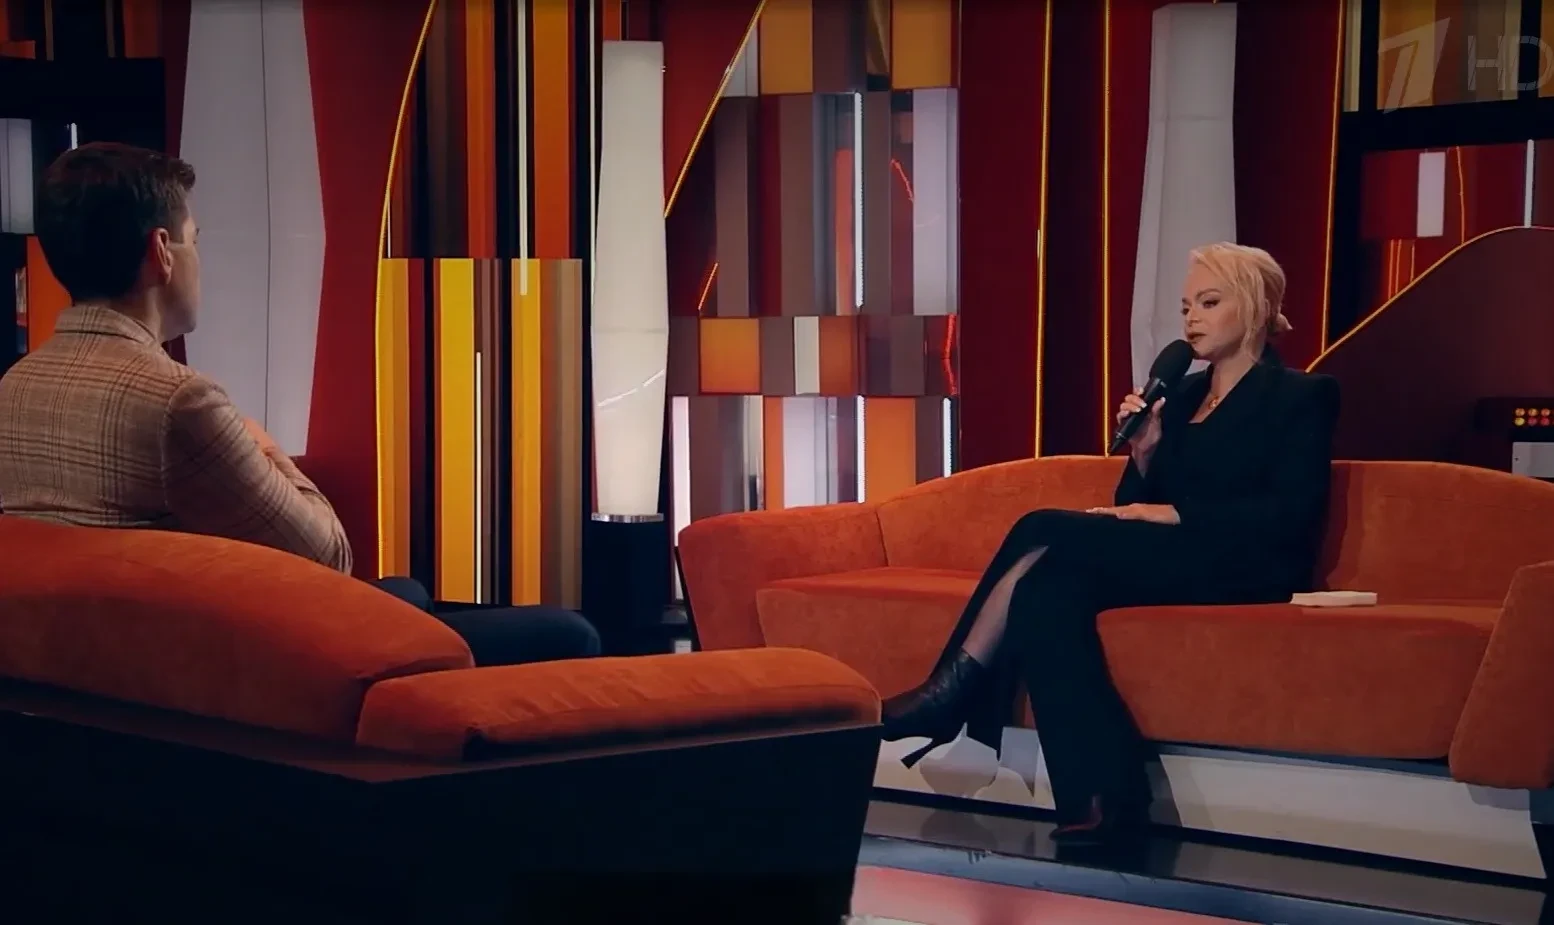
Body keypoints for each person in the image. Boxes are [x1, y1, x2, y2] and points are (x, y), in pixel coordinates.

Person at [0, 142, 599, 666]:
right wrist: (261, 444)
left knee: (407, 591)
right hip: (232, 667)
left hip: (99, 663)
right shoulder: (179, 403)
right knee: (568, 632)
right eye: (195, 240)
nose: (200, 260)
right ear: (162, 251)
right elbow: (327, 557)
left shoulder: (16, 385)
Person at [881, 242, 1340, 846]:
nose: (1191, 320)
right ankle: (1102, 801)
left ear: (1253, 307)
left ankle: (951, 687)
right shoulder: (1179, 396)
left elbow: (1291, 513)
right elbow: (1132, 504)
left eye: (1208, 303)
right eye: (1185, 307)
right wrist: (1145, 453)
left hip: (1248, 563)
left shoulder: (1302, 396)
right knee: (1045, 590)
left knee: (1041, 526)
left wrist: (1173, 511)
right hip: (1175, 557)